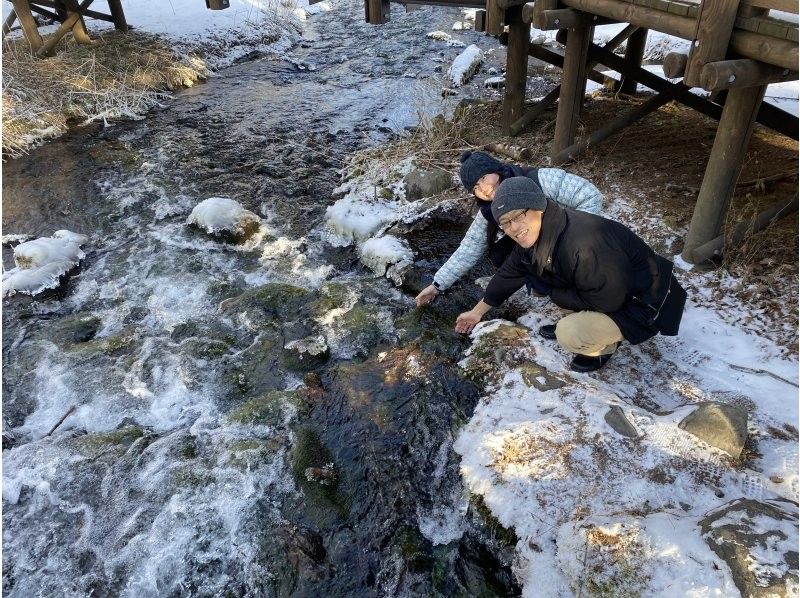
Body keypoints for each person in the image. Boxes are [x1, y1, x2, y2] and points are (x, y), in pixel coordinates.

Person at [454, 177, 687, 372]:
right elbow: (509, 274)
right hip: (613, 291)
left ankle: (602, 349)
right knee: (546, 279)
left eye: (518, 216)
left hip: (646, 304)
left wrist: (554, 293)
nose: (513, 228)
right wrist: (476, 313)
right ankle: (584, 321)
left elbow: (609, 300)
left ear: (538, 207)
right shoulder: (542, 232)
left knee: (569, 333)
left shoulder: (582, 244)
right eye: (505, 222)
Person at [415, 150, 604, 307]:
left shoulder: (538, 179)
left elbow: (590, 196)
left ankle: (574, 297)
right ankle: (544, 282)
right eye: (475, 187)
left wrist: (572, 238)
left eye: (483, 178)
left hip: (572, 240)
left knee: (563, 265)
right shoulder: (489, 209)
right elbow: (469, 248)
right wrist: (437, 285)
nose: (484, 189)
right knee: (499, 254)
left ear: (495, 169)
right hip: (541, 244)